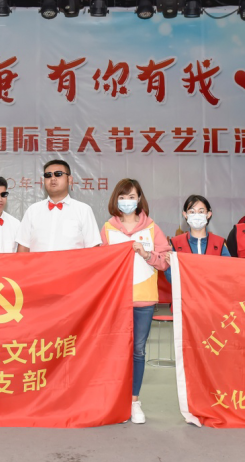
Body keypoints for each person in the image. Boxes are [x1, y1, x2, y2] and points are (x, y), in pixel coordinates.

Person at [99, 179, 170, 425]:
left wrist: (147, 254)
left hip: (143, 300)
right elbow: (100, 263)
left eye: (131, 196)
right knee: (115, 350)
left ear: (139, 199)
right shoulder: (108, 228)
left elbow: (165, 261)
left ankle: (134, 401)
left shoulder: (151, 227)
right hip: (116, 301)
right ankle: (114, 401)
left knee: (138, 351)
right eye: (122, 197)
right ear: (115, 199)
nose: (127, 201)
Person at [15, 160, 101, 253]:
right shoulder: (33, 210)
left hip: (72, 263)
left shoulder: (83, 210)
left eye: (58, 174)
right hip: (38, 263)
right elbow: (23, 248)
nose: (53, 178)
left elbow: (93, 249)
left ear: (70, 180)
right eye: (48, 175)